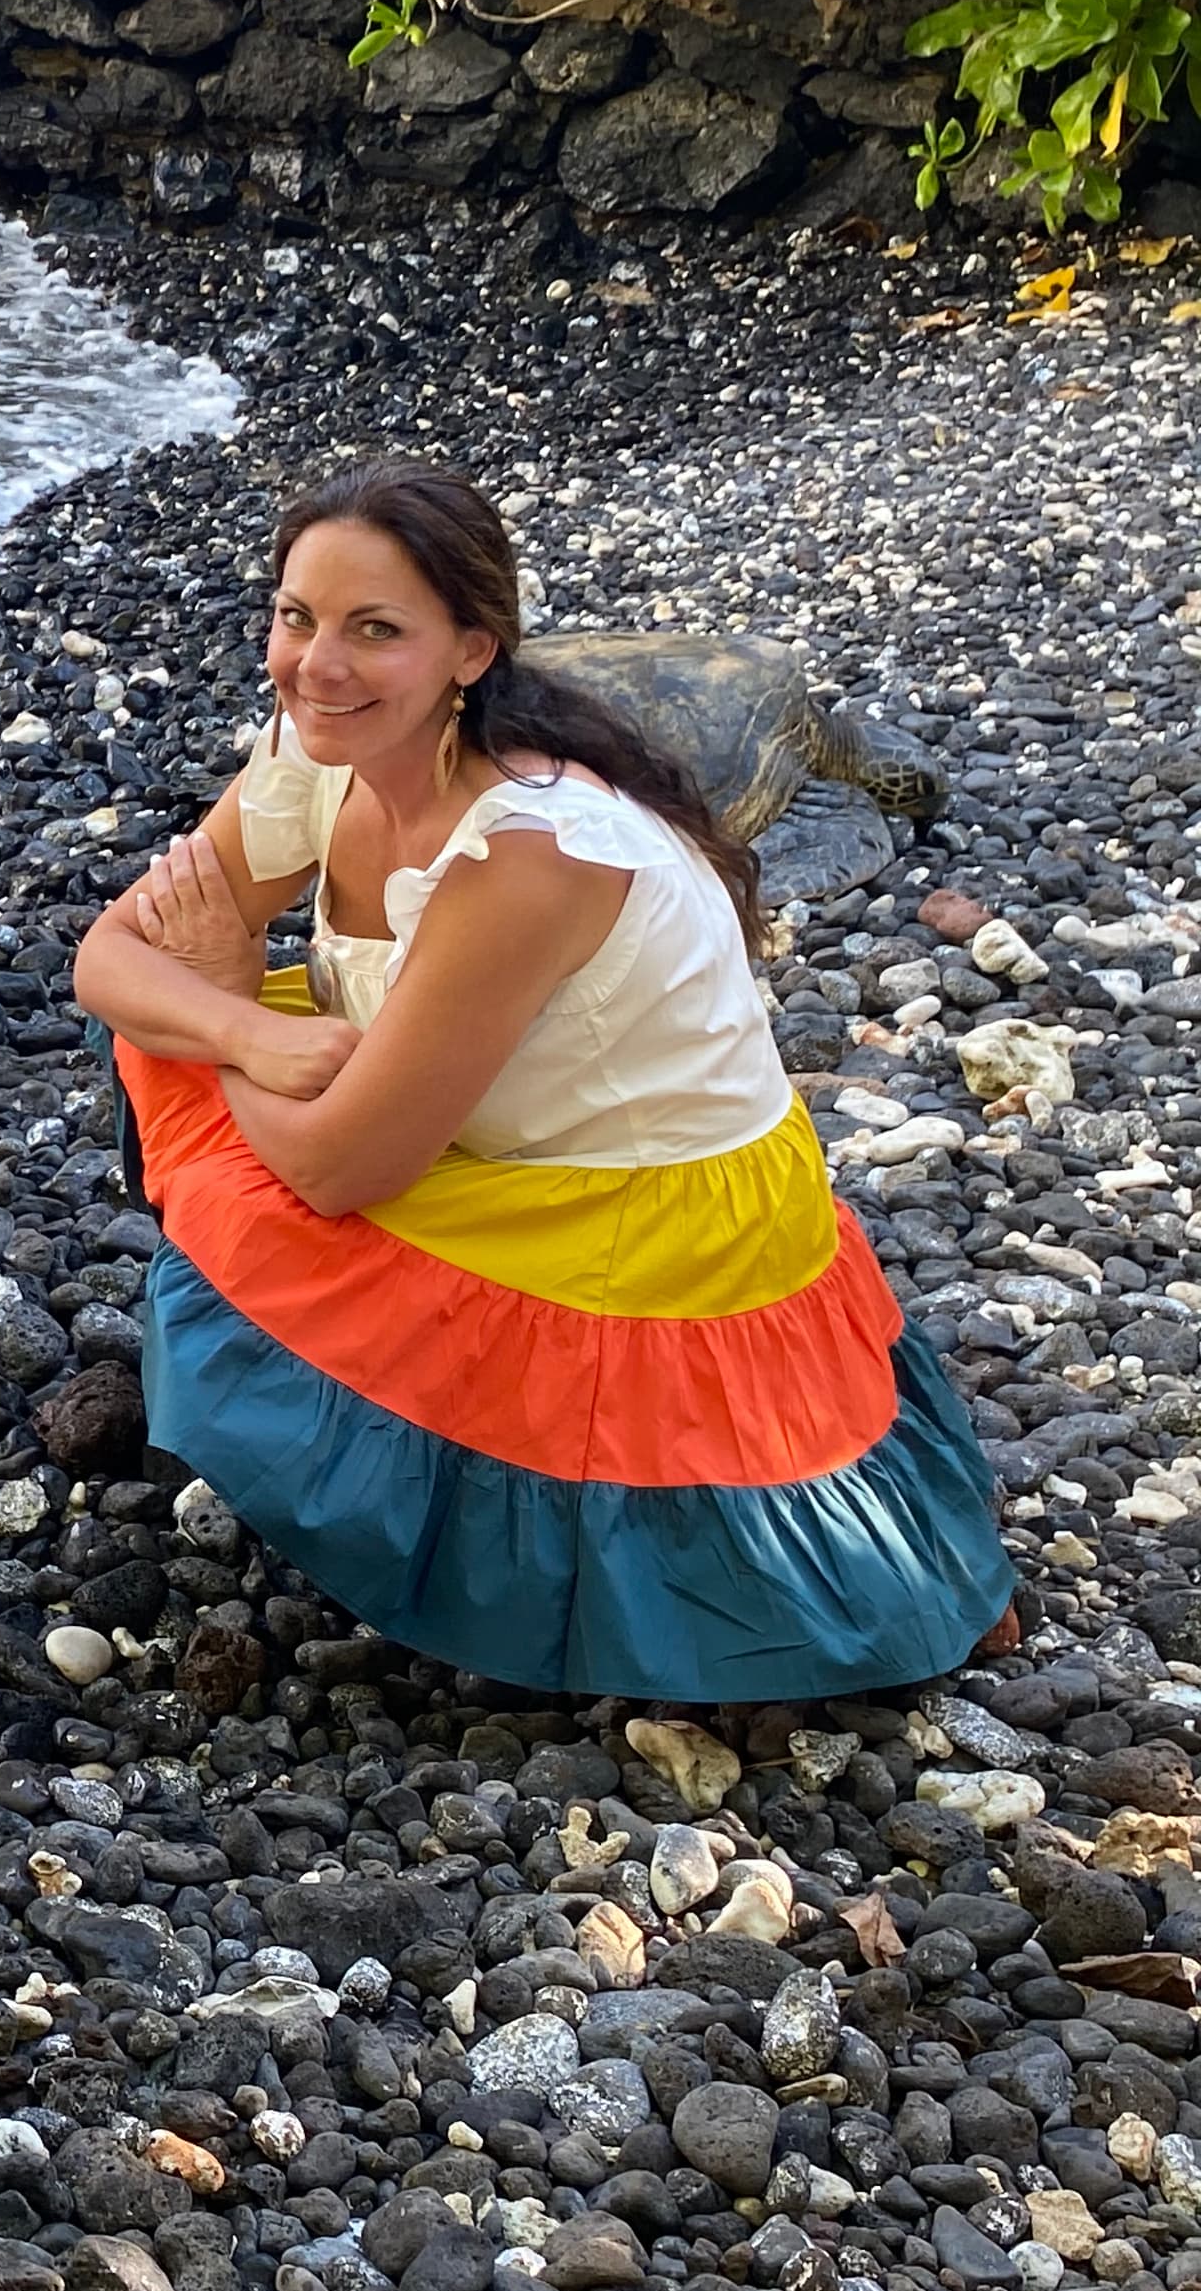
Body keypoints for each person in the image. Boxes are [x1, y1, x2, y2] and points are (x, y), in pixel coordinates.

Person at [71, 462, 1016, 1701]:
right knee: (171, 1034)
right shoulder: (317, 755)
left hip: (652, 1208)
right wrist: (242, 1026)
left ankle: (539, 1544)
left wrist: (236, 1001)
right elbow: (114, 957)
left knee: (240, 1099)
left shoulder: (530, 855)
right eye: (297, 617)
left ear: (471, 651)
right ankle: (369, 1432)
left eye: (375, 631)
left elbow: (339, 1167)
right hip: (467, 1122)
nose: (317, 665)